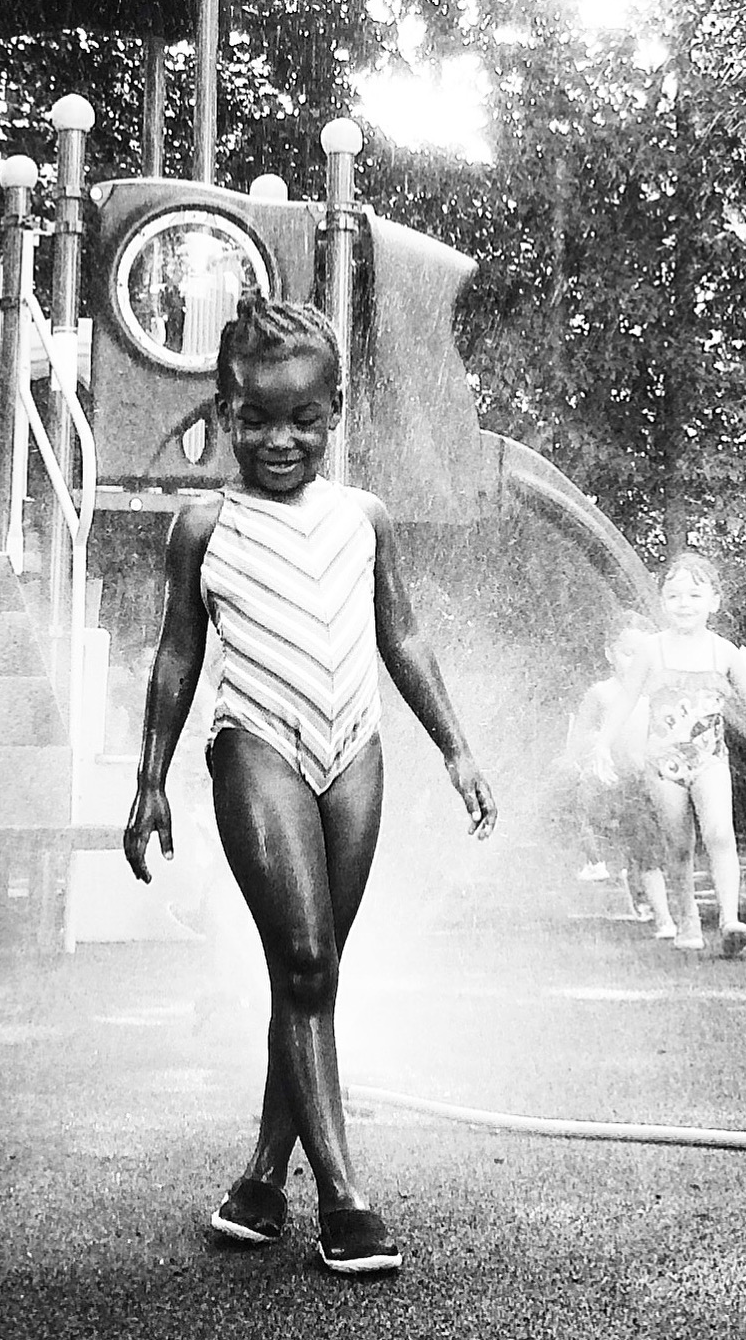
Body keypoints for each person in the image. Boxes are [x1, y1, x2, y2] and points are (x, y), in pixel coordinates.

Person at [124, 291, 497, 1276]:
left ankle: (257, 1179)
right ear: (224, 406)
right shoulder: (203, 524)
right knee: (300, 957)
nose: (278, 439)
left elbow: (400, 636)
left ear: (335, 411)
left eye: (302, 419)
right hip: (255, 744)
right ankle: (342, 1194)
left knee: (315, 968)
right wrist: (148, 780)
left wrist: (456, 748)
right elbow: (173, 660)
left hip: (355, 750)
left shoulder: (362, 517)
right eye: (254, 417)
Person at [595, 552, 746, 957]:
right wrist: (602, 742)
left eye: (693, 595)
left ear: (714, 602)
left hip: (710, 759)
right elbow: (626, 700)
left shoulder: (724, 653)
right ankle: (688, 918)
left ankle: (729, 919)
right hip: (663, 764)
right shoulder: (653, 651)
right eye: (674, 596)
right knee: (679, 845)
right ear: (663, 602)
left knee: (720, 833)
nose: (683, 604)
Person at [555, 608, 675, 933]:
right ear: (610, 653)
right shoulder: (602, 694)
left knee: (658, 843)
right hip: (621, 781)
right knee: (644, 839)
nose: (635, 662)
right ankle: (657, 909)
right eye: (627, 653)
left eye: (643, 654)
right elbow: (580, 737)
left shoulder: (658, 692)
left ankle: (639, 883)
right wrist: (599, 750)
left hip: (657, 779)